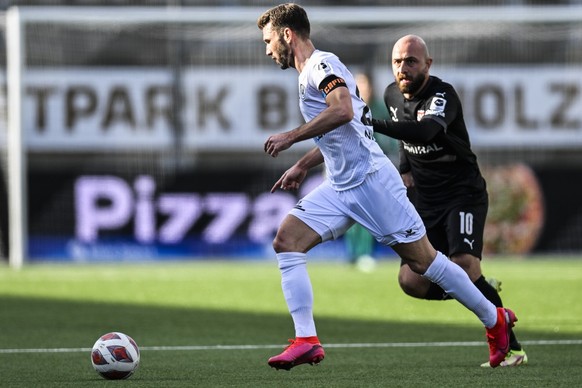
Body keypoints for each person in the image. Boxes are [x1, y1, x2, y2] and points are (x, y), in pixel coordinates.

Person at [257, 3, 516, 371]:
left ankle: (495, 320)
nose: (267, 50)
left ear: (287, 35)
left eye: (268, 41)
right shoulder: (307, 74)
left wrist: (290, 138)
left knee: (424, 263)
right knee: (287, 240)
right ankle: (306, 340)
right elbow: (348, 128)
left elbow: (343, 110)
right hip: (341, 187)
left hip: (372, 184)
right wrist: (303, 163)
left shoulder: (321, 65)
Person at [371, 34, 527, 367]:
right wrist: (405, 170)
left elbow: (426, 131)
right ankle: (480, 288)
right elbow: (403, 134)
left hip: (461, 193)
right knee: (410, 281)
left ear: (428, 64)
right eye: (397, 61)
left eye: (411, 61)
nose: (403, 68)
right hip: (425, 199)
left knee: (465, 265)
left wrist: (371, 122)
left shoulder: (443, 95)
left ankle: (512, 348)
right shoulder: (390, 94)